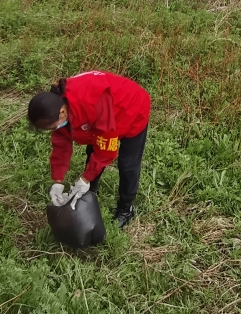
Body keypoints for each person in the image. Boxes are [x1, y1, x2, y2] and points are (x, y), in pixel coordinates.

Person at [28, 71, 151, 228]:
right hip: (103, 116)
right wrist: (57, 181)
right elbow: (61, 147)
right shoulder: (55, 106)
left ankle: (126, 208)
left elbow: (106, 148)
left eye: (53, 126)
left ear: (63, 112)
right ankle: (90, 190)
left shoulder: (92, 102)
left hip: (131, 108)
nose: (55, 129)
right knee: (92, 152)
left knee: (128, 164)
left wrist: (85, 178)